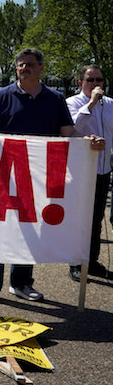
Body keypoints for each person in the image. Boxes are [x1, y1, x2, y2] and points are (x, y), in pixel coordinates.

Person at [0, 48, 105, 305]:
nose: (24, 69)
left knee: (31, 229)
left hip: (38, 178)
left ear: (41, 68)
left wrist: (87, 142)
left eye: (30, 65)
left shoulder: (55, 99)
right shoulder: (2, 96)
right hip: (3, 175)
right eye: (21, 65)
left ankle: (21, 283)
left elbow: (67, 132)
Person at [65, 64, 113, 281]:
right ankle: (76, 261)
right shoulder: (72, 103)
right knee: (80, 218)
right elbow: (73, 128)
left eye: (99, 80)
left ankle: (91, 260)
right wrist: (91, 103)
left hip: (103, 169)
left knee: (95, 218)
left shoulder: (111, 104)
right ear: (81, 83)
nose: (96, 84)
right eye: (91, 80)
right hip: (80, 171)